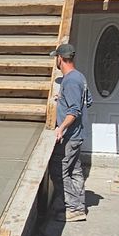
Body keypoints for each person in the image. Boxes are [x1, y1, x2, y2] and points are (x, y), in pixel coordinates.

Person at [50, 40, 88, 221]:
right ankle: (79, 205)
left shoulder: (71, 80)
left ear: (61, 58)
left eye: (56, 57)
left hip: (70, 136)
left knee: (58, 170)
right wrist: (62, 97)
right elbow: (87, 101)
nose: (55, 61)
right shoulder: (79, 77)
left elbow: (74, 110)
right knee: (74, 171)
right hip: (78, 134)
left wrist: (61, 128)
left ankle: (73, 208)